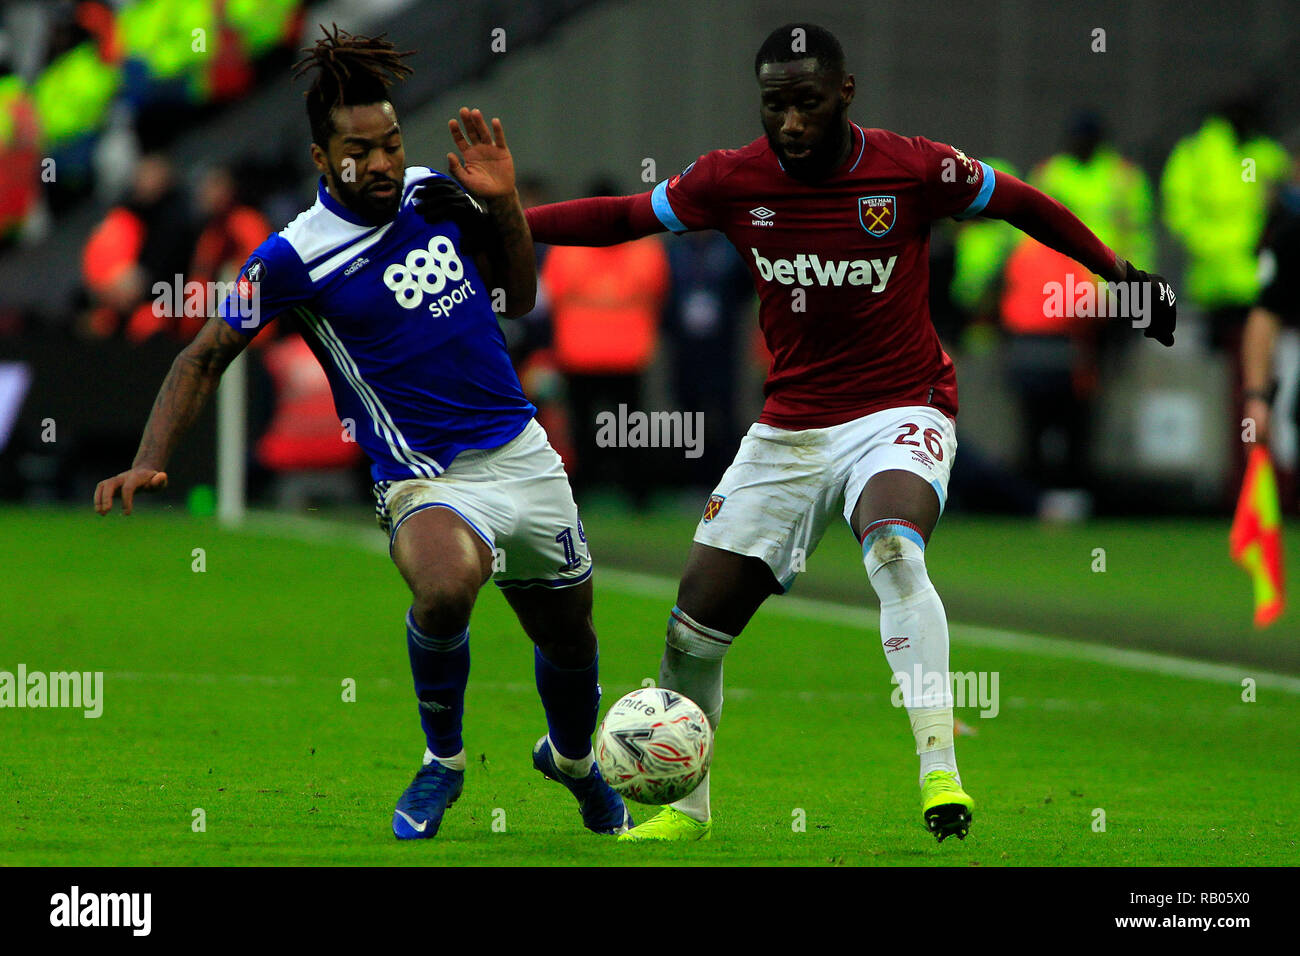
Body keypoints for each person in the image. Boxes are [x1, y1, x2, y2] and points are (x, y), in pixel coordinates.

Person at [525, 22, 1176, 843]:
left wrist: (1117, 274)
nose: (789, 122)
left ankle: (939, 769)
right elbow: (623, 215)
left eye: (805, 103)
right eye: (773, 105)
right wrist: (508, 220)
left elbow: (1019, 201)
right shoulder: (732, 179)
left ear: (844, 93)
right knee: (691, 634)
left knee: (896, 548)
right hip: (789, 428)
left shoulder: (911, 168)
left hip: (901, 408)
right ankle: (687, 811)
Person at [93, 25, 631, 841]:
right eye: (359, 150)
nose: (380, 163)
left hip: (523, 455)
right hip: (425, 478)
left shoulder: (432, 195)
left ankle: (574, 761)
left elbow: (518, 297)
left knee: (568, 634)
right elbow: (203, 356)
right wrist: (148, 460)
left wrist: (506, 205)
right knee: (446, 588)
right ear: (321, 158)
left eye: (389, 143)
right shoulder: (289, 261)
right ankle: (442, 765)